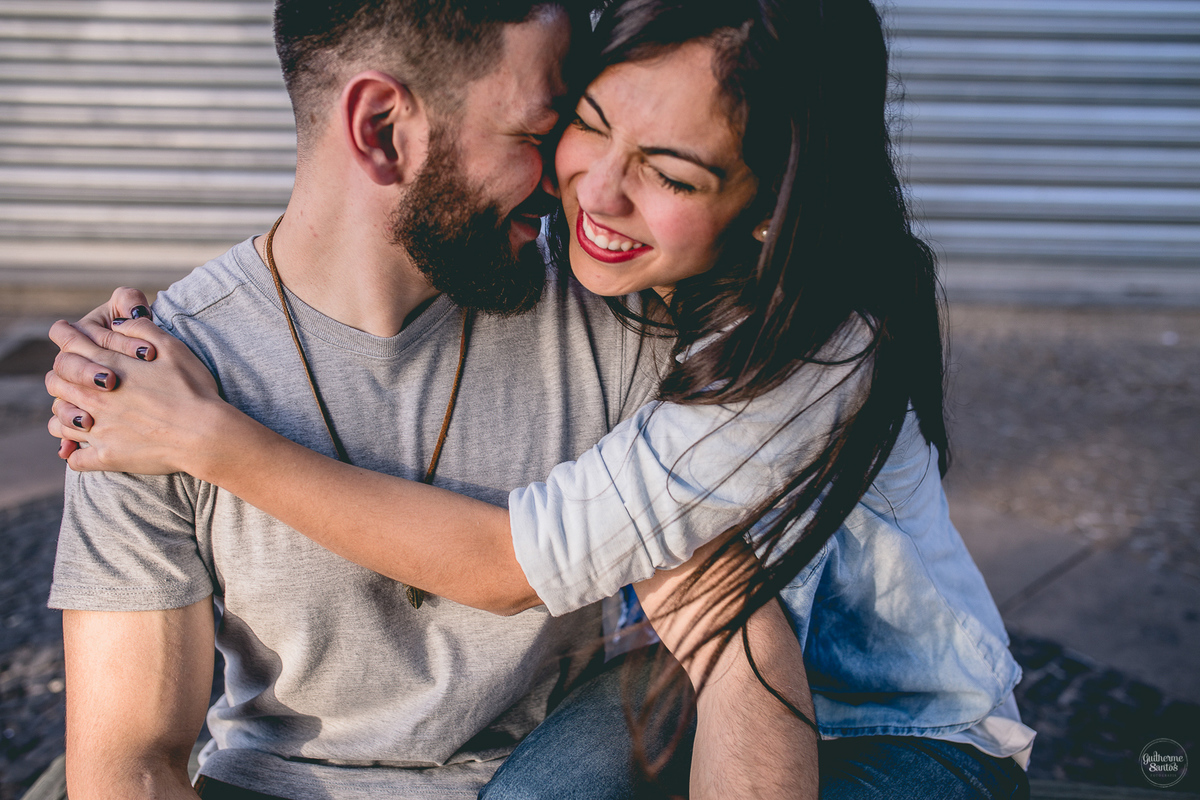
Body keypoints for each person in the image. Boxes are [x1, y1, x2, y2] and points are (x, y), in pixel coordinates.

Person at [47, 0, 1034, 797]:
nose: (585, 189)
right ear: (382, 129)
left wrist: (212, 439)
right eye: (558, 128)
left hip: (868, 727)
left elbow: (564, 577)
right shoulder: (148, 378)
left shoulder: (700, 328)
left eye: (665, 169)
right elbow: (130, 755)